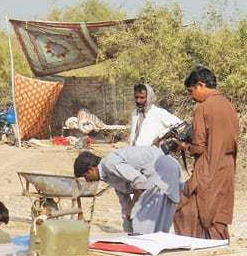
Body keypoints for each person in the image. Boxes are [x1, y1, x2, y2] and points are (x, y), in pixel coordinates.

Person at [173, 67, 239, 240]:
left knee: (185, 211)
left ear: (201, 85)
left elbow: (199, 147)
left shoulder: (203, 108)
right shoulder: (228, 105)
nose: (191, 96)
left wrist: (184, 146)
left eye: (191, 91)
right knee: (217, 217)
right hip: (226, 168)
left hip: (208, 169)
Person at [74, 147, 182, 234]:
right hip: (157, 175)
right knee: (142, 224)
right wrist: (127, 226)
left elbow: (140, 181)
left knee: (145, 226)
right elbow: (125, 204)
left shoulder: (109, 164)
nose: (87, 181)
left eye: (85, 176)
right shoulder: (107, 175)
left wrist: (132, 207)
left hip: (161, 171)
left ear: (91, 169)